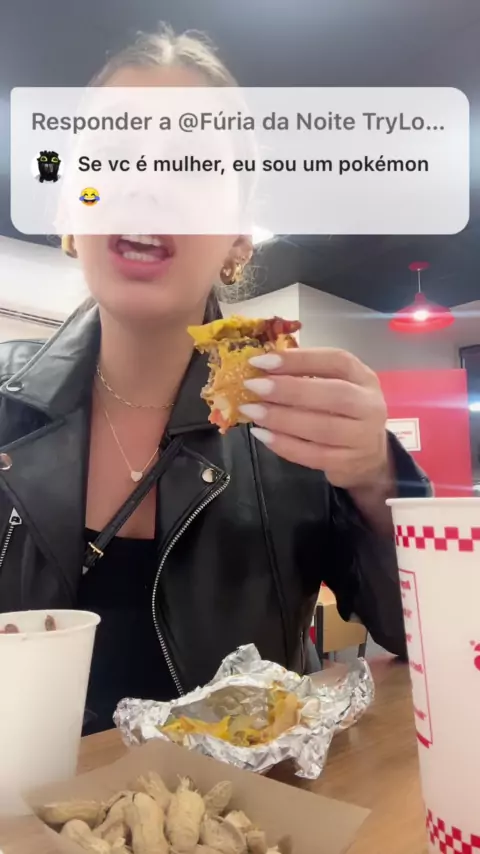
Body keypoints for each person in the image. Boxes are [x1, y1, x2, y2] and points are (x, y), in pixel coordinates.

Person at [0, 27, 428, 734]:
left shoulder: (298, 427)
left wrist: (378, 482)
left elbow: (431, 638)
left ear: (237, 239)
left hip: (246, 804)